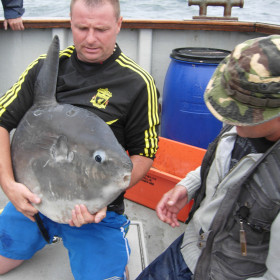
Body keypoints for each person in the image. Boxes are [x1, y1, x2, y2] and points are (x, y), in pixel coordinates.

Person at [0, 0, 160, 279]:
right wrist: (9, 185)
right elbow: (1, 121)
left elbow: (143, 154)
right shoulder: (45, 68)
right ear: (70, 22)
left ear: (119, 25)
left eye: (101, 29)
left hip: (94, 213)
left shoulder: (136, 82)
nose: (90, 38)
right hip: (32, 200)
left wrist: (99, 202)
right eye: (81, 27)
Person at [136, 35, 280, 280]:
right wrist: (188, 186)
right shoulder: (243, 124)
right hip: (191, 249)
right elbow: (222, 166)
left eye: (241, 112)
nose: (229, 118)